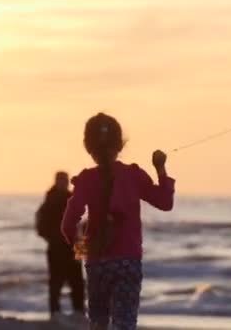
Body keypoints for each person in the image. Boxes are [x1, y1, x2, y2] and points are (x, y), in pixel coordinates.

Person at [61, 113, 175, 330]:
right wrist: (160, 168)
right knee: (125, 324)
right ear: (120, 144)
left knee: (98, 323)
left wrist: (81, 248)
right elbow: (165, 202)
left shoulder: (86, 179)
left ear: (88, 147)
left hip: (97, 263)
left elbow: (68, 225)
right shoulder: (133, 175)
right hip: (128, 262)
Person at [35, 171, 85, 320]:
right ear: (56, 182)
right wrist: (54, 238)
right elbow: (41, 226)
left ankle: (79, 313)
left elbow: (78, 226)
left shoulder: (71, 199)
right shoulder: (50, 201)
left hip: (72, 247)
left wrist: (81, 248)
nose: (64, 183)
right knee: (56, 283)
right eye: (62, 180)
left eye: (65, 180)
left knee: (77, 283)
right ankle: (55, 316)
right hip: (57, 248)